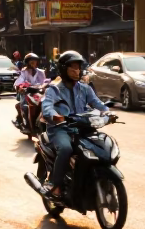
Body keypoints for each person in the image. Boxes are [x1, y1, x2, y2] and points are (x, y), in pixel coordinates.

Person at [41, 51, 109, 197]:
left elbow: (97, 103)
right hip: (60, 129)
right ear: (63, 69)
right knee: (66, 149)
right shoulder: (54, 89)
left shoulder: (85, 88)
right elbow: (47, 107)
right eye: (72, 67)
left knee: (101, 145)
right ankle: (55, 184)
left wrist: (107, 112)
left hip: (82, 127)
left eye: (78, 67)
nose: (76, 71)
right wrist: (56, 116)